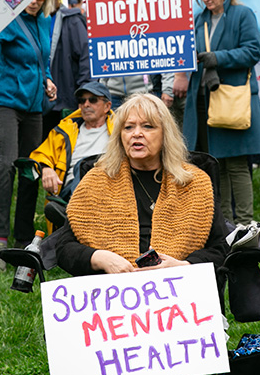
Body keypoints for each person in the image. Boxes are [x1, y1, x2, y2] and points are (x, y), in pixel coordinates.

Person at [55, 93, 228, 276]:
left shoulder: (194, 183)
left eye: (148, 126)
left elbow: (221, 249)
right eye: (128, 127)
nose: (137, 133)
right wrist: (99, 258)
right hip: (114, 292)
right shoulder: (96, 181)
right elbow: (64, 248)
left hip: (178, 292)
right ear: (120, 135)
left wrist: (183, 265)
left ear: (165, 134)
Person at [0, 0, 57, 271]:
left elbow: (41, 60)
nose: (35, 2)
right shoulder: (6, 22)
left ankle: (24, 239)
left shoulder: (44, 22)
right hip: (6, 103)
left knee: (30, 168)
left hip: (34, 107)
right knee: (7, 164)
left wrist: (47, 79)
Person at [182, 0, 260, 226]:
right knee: (216, 164)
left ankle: (245, 222)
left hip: (232, 98)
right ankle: (225, 223)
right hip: (204, 99)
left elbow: (253, 52)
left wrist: (219, 58)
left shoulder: (243, 14)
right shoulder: (200, 19)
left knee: (238, 164)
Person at [98, 0, 172, 109]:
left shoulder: (147, 17)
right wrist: (103, 90)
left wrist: (168, 89)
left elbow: (164, 54)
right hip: (113, 96)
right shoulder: (103, 23)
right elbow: (103, 61)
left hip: (144, 94)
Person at [30, 81, 114, 200]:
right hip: (72, 187)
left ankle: (69, 212)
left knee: (90, 166)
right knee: (82, 167)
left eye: (93, 100)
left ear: (107, 106)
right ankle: (75, 208)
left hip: (110, 185)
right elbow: (41, 155)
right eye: (82, 101)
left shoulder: (120, 129)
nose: (86, 104)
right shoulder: (64, 130)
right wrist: (46, 168)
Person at [45, 0, 91, 135]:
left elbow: (85, 57)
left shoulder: (71, 19)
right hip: (39, 100)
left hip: (65, 98)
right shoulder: (34, 21)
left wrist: (84, 93)